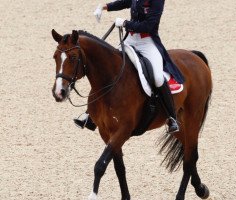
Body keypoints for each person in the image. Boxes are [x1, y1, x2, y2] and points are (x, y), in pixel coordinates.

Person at [74, 0, 185, 133]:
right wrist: (103, 7)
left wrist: (126, 23)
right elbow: (125, 2)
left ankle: (172, 117)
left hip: (147, 42)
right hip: (130, 40)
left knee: (157, 78)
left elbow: (149, 25)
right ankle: (90, 115)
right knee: (109, 68)